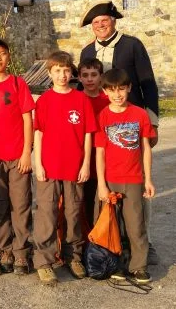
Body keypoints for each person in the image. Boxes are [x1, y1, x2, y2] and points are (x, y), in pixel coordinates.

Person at [78, 0, 160, 264]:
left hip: (131, 125)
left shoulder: (132, 45)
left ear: (113, 21)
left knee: (137, 193)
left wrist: (153, 121)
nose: (100, 26)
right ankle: (106, 244)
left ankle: (143, 243)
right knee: (101, 189)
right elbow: (82, 87)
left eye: (104, 21)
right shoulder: (87, 50)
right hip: (101, 126)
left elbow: (147, 82)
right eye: (96, 23)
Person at [33, 51, 97, 286]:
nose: (62, 75)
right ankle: (44, 261)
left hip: (74, 167)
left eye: (66, 70)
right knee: (47, 214)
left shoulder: (81, 100)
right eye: (57, 71)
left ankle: (74, 256)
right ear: (49, 73)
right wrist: (38, 164)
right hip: (49, 167)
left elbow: (88, 134)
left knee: (73, 213)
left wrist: (85, 164)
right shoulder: (44, 101)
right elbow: (38, 134)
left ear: (72, 73)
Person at [95, 68, 156, 284]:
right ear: (105, 92)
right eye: (112, 90)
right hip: (111, 179)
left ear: (129, 88)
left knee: (135, 224)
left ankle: (138, 266)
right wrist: (101, 184)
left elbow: (146, 148)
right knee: (115, 225)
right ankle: (118, 265)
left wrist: (148, 179)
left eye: (121, 89)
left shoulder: (139, 114)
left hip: (134, 179)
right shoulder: (103, 116)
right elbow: (100, 152)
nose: (117, 94)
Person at [0, 37, 35, 275]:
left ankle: (21, 251)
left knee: (21, 204)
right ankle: (5, 248)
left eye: (2, 53)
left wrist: (27, 152)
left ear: (9, 56)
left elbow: (27, 119)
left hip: (17, 156)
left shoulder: (17, 83)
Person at [78, 58, 109, 230]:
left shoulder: (109, 100)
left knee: (105, 200)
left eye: (94, 75)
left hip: (105, 157)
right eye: (85, 75)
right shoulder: (75, 99)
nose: (90, 79)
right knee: (85, 200)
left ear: (101, 77)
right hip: (83, 158)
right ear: (79, 78)